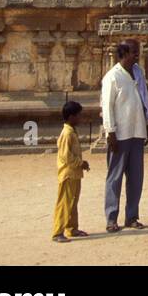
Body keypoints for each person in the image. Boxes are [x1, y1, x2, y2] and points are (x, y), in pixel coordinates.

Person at [101, 39, 148, 233]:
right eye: (133, 51)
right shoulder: (112, 77)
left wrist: (147, 123)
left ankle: (132, 216)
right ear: (123, 53)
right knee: (115, 176)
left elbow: (143, 99)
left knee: (136, 178)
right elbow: (107, 105)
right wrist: (110, 131)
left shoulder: (138, 73)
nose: (137, 54)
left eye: (137, 51)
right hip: (120, 134)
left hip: (137, 131)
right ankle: (111, 218)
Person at [52, 99, 89, 242]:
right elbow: (66, 156)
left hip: (74, 174)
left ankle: (71, 228)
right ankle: (57, 232)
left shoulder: (72, 132)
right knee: (64, 203)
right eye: (79, 115)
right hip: (68, 174)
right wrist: (81, 163)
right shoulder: (66, 134)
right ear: (71, 116)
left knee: (73, 202)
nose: (80, 118)